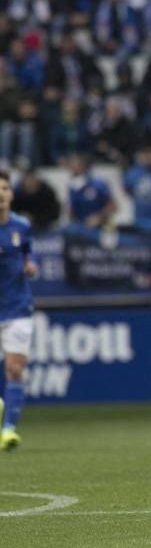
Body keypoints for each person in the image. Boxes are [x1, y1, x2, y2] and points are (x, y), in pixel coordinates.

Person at [0, 170, 37, 450]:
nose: (1, 193)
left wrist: (30, 264)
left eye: (5, 188)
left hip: (17, 308)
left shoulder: (21, 225)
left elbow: (28, 251)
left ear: (11, 194)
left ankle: (9, 429)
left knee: (14, 368)